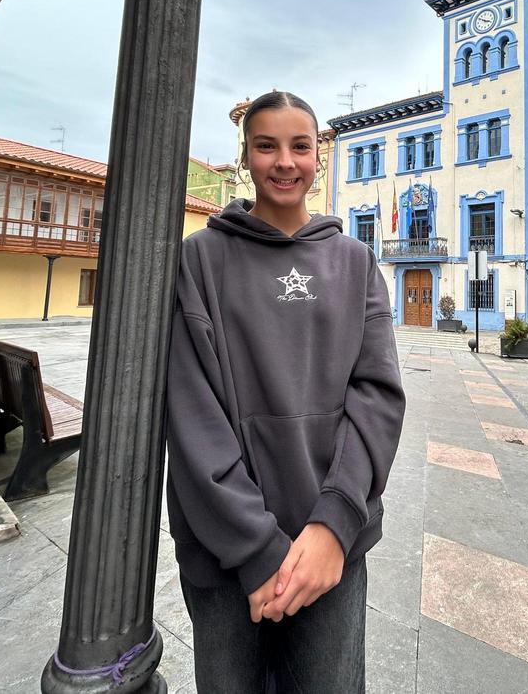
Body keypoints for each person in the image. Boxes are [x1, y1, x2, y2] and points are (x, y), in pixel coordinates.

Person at [165, 90, 406, 693]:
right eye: (266, 145)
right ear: (246, 156)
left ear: (317, 158)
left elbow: (376, 397)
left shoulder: (355, 262)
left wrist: (333, 524)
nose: (285, 161)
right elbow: (193, 412)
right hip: (225, 555)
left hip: (332, 554)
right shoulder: (200, 260)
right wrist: (255, 550)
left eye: (300, 146)